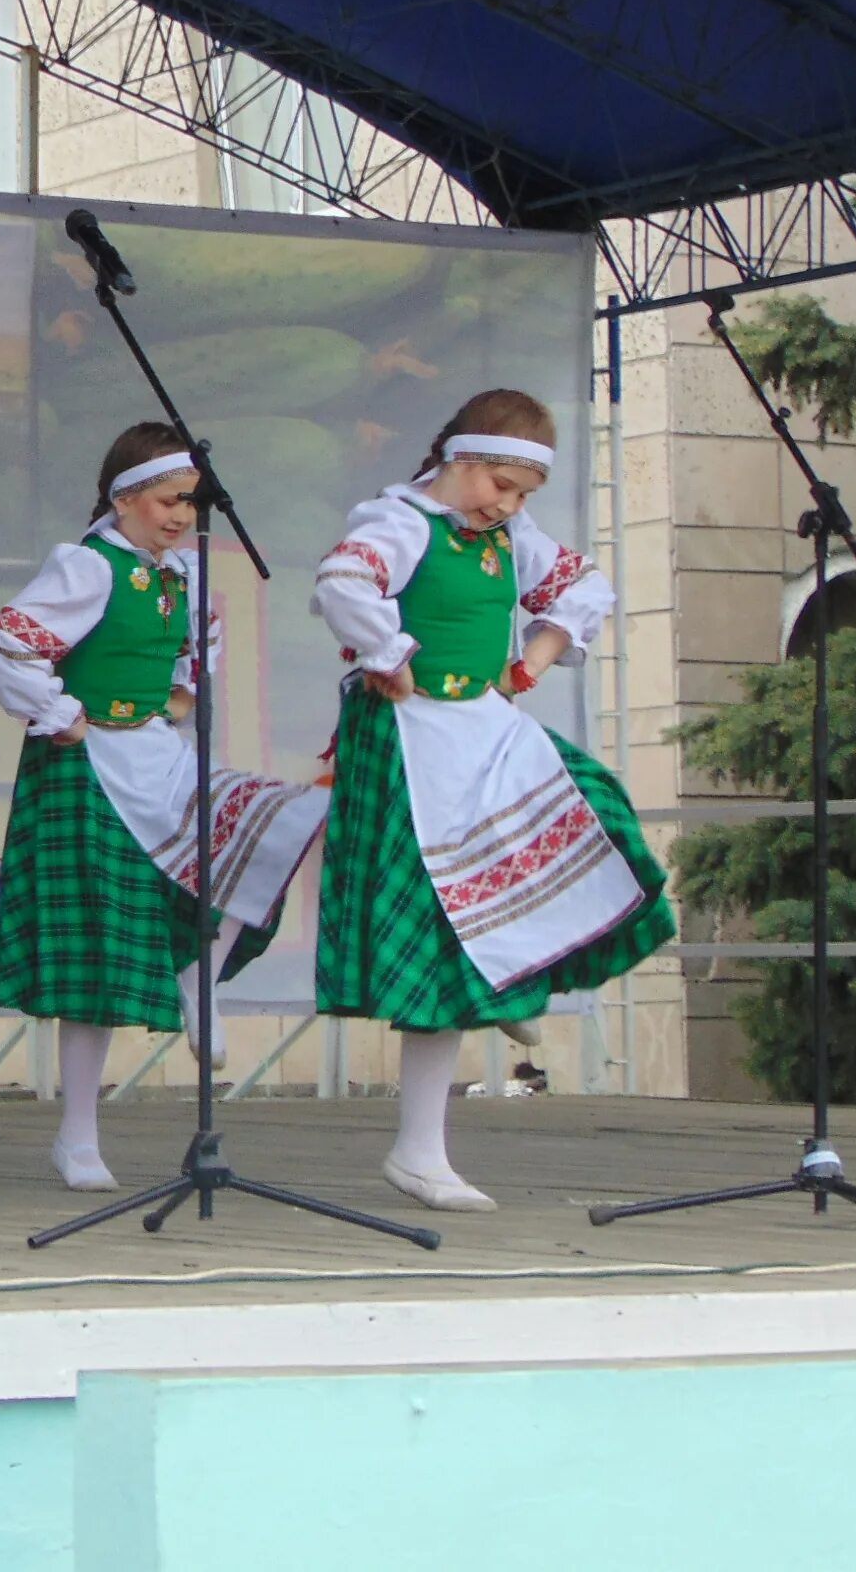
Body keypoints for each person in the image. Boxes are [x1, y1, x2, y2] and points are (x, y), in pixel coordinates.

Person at [311, 390, 672, 1211]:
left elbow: (583, 587)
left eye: (521, 495)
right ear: (461, 461)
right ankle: (420, 1149)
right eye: (501, 486)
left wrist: (534, 661)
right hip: (409, 738)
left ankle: (515, 974)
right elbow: (342, 581)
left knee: (598, 818)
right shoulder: (401, 523)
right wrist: (389, 651)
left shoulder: (511, 536)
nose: (508, 507)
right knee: (441, 930)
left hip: (482, 723)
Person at [0, 426, 329, 1192]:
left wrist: (178, 698)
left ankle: (198, 977)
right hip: (86, 767)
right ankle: (77, 1136)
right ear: (125, 497)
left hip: (156, 757)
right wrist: (59, 713)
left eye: (191, 502)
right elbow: (11, 643)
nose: (182, 515)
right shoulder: (88, 565)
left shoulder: (184, 578)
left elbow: (194, 663)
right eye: (171, 500)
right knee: (97, 954)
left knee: (275, 819)